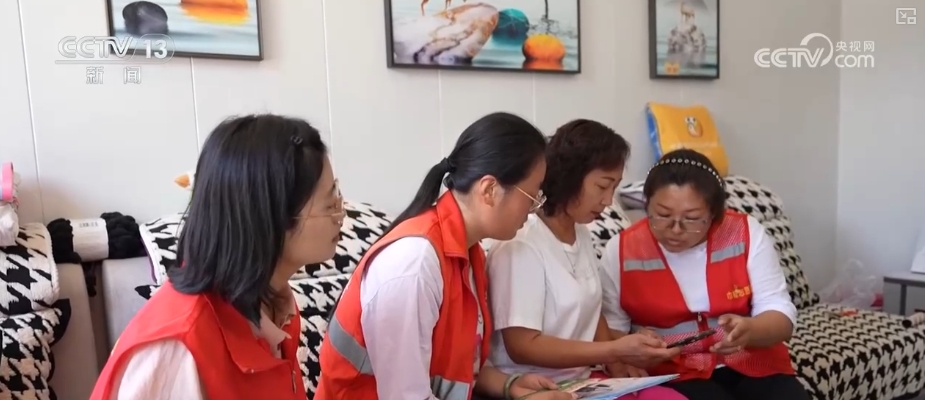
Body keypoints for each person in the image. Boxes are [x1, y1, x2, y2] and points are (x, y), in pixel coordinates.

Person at [316, 112, 574, 400]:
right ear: (489, 190)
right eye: (532, 197)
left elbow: (456, 368)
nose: (535, 208)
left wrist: (510, 385)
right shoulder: (414, 264)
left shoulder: (469, 253)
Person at [90, 115, 343, 400]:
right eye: (329, 203)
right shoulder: (179, 350)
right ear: (269, 216)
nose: (341, 214)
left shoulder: (273, 306)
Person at [486, 120, 685, 400]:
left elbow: (591, 310)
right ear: (571, 176)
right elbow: (522, 346)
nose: (608, 201)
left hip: (581, 380)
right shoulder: (520, 242)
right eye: (602, 186)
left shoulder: (580, 231)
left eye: (614, 188)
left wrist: (618, 361)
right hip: (534, 387)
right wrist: (613, 350)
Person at [599, 149, 810, 400]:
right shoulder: (621, 250)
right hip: (674, 372)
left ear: (713, 213)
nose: (675, 229)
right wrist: (632, 348)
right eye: (663, 215)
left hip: (752, 363)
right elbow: (611, 330)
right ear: (646, 205)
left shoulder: (745, 233)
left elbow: (779, 312)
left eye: (692, 219)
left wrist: (750, 330)